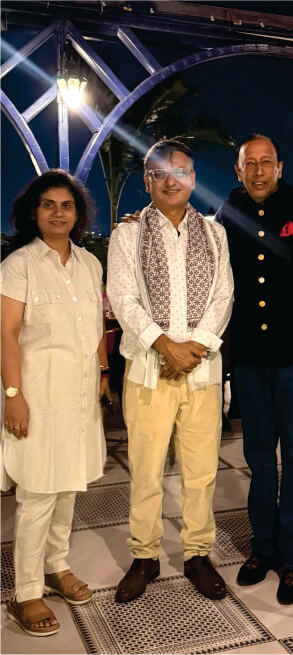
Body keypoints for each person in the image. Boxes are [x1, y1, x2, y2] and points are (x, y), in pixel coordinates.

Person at [107, 139, 233, 603]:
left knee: (201, 471)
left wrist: (193, 349)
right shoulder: (128, 234)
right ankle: (145, 556)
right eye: (159, 173)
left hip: (201, 371)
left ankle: (198, 553)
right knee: (145, 471)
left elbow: (224, 296)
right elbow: (122, 297)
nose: (170, 180)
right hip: (148, 370)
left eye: (179, 171)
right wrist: (164, 346)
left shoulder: (215, 234)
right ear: (148, 182)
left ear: (193, 178)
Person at [215, 134, 293, 604]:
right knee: (259, 460)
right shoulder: (228, 211)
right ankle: (263, 547)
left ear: (280, 167)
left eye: (266, 163)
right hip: (250, 359)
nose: (258, 171)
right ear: (238, 171)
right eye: (250, 164)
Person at [1, 170, 108, 636]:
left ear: (77, 214)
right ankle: (26, 592)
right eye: (48, 205)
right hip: (38, 399)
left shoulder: (89, 264)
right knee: (38, 494)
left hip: (79, 398)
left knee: (68, 488)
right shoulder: (19, 265)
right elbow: (6, 334)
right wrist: (13, 396)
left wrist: (103, 373)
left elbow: (95, 324)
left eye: (66, 205)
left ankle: (56, 566)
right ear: (34, 212)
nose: (58, 213)